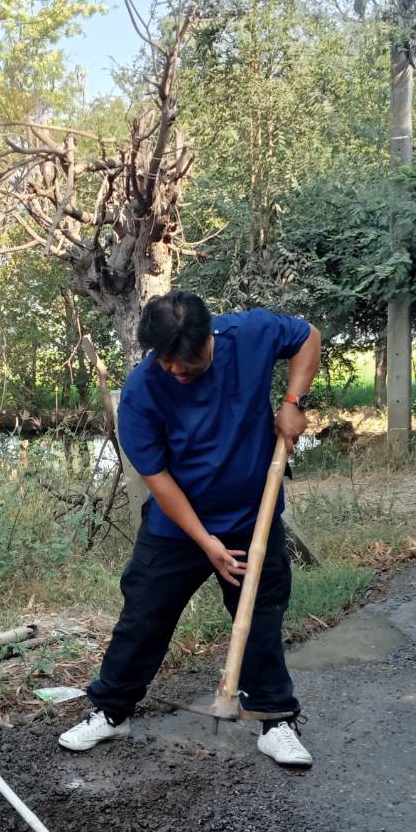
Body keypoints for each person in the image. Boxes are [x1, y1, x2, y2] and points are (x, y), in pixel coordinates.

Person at [58, 291, 322, 767]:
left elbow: (308, 337)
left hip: (250, 518)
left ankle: (276, 720)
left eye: (189, 361)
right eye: (166, 362)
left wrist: (293, 402)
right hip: (177, 530)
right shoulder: (141, 391)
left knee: (260, 617)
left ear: (210, 340)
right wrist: (207, 544)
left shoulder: (250, 335)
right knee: (143, 618)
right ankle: (111, 711)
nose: (177, 371)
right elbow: (158, 481)